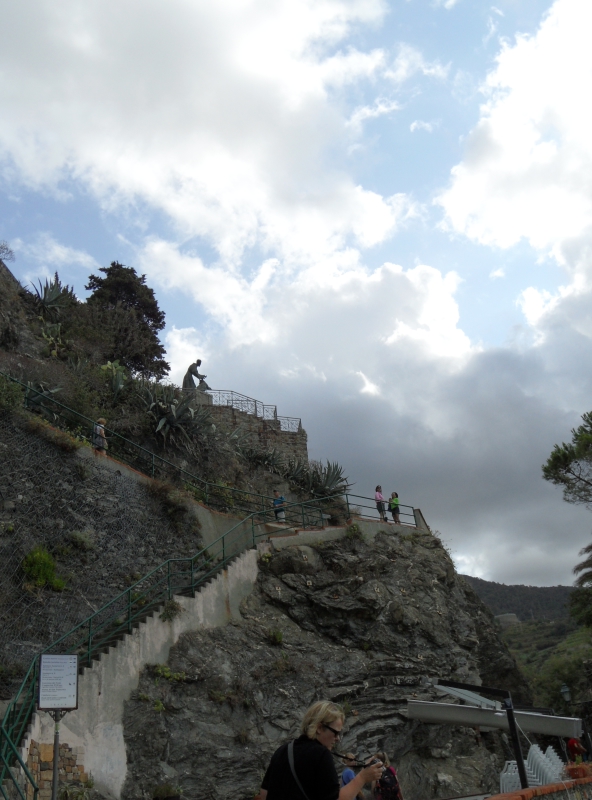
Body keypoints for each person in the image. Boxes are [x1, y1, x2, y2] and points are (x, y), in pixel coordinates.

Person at [259, 700, 383, 800]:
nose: (337, 738)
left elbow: (264, 794)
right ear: (319, 728)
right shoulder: (321, 755)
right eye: (335, 733)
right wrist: (362, 778)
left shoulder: (282, 750)